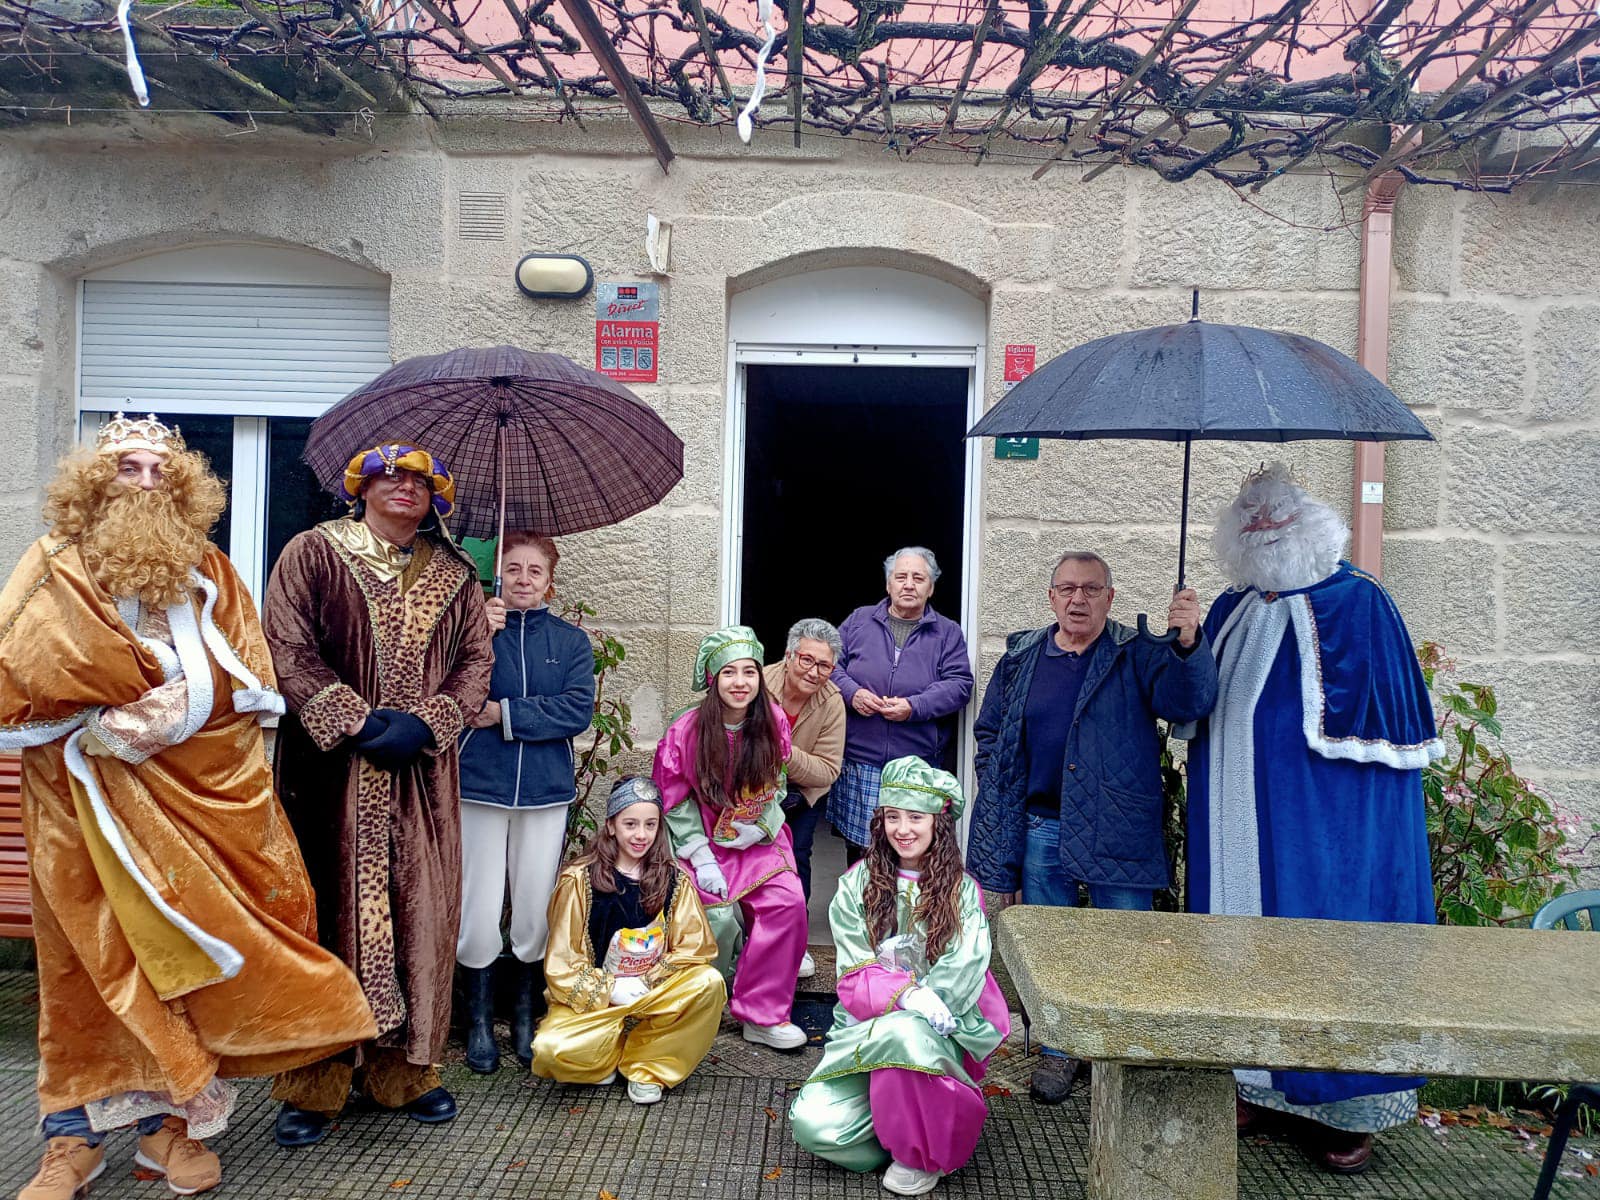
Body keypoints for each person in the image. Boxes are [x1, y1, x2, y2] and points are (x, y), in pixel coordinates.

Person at [0, 414, 376, 1200]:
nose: (143, 481)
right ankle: (69, 1142)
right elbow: (23, 674)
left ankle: (167, 1134)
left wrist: (153, 719)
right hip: (76, 803)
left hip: (188, 804)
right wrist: (99, 720)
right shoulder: (51, 564)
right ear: (94, 483)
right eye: (127, 467)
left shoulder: (208, 569)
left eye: (157, 471)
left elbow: (246, 687)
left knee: (182, 964)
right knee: (83, 967)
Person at [1187, 463, 1443, 1174]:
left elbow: (1388, 743)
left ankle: (1345, 1105)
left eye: (1277, 519)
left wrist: (1344, 836)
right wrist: (1182, 642)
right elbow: (1189, 700)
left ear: (1310, 525)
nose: (1263, 532)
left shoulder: (1359, 606)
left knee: (1328, 946)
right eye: (1250, 521)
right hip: (1233, 817)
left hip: (1325, 833)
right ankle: (1253, 1081)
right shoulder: (1230, 608)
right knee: (1237, 939)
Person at [264, 442, 494, 1147]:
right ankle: (315, 1081)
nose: (403, 487)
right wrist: (352, 719)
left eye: (419, 480)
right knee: (326, 919)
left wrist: (430, 722)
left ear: (436, 497)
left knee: (419, 917)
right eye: (388, 476)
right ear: (360, 487)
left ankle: (404, 1073)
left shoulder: (457, 576)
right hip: (327, 776)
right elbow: (285, 643)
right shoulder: (312, 553)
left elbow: (475, 662)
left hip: (421, 779)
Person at [966, 549, 1217, 1104]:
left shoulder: (1135, 653)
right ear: (1051, 596)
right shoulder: (1021, 656)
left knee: (1122, 946)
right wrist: (995, 774)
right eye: (1068, 589)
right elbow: (991, 732)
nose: (1078, 599)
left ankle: (1119, 1052)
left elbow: (1188, 702)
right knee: (1052, 948)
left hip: (1118, 827)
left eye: (1091, 589)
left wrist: (1187, 645)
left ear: (1111, 596)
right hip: (1041, 825)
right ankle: (1059, 1053)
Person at [790, 757, 1010, 1197]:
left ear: (937, 823)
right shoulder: (856, 885)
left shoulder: (963, 892)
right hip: (864, 1029)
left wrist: (926, 1002)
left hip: (936, 1031)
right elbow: (853, 973)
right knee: (813, 1126)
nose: (903, 828)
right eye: (893, 816)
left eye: (915, 817)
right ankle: (905, 1127)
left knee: (908, 1033)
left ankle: (923, 1150)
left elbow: (965, 969)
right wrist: (906, 995)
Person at [456, 532, 595, 1073]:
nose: (522, 579)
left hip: (543, 789)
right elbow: (452, 694)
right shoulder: (472, 634)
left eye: (534, 571)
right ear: (499, 576)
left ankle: (523, 1016)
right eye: (512, 569)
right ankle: (477, 1022)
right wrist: (474, 638)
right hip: (480, 784)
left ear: (550, 583)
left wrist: (506, 714)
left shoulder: (571, 641)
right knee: (479, 906)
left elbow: (576, 710)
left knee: (535, 906)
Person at [652, 625, 809, 1051]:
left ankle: (762, 1013)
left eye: (749, 673)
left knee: (786, 901)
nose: (740, 683)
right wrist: (701, 855)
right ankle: (701, 1006)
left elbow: (776, 784)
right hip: (699, 837)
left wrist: (760, 826)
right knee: (715, 917)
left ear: (760, 677)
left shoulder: (773, 720)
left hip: (757, 836)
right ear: (712, 678)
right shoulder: (685, 729)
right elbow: (674, 797)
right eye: (729, 673)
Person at [530, 777, 725, 1104]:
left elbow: (695, 948)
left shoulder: (674, 880)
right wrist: (610, 988)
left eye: (650, 825)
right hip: (596, 1000)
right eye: (630, 824)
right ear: (610, 826)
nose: (641, 835)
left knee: (709, 983)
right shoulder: (579, 881)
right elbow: (562, 964)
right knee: (552, 1050)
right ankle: (604, 1056)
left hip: (650, 991)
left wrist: (650, 977)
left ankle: (646, 1065)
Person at [830, 548, 973, 861]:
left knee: (909, 851)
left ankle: (903, 911)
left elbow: (960, 685)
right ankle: (862, 910)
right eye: (901, 577)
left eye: (918, 578)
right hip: (861, 761)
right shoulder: (859, 620)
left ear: (931, 588)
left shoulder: (947, 632)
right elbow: (828, 664)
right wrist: (852, 693)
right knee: (862, 852)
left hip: (915, 765)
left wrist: (915, 706)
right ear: (888, 585)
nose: (909, 584)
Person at [763, 617, 846, 978]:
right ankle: (753, 940)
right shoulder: (759, 684)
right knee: (751, 862)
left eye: (824, 665)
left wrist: (783, 752)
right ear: (788, 655)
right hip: (752, 789)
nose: (813, 672)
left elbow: (827, 770)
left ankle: (795, 945)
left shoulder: (833, 703)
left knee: (796, 859)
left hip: (802, 794)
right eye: (806, 660)